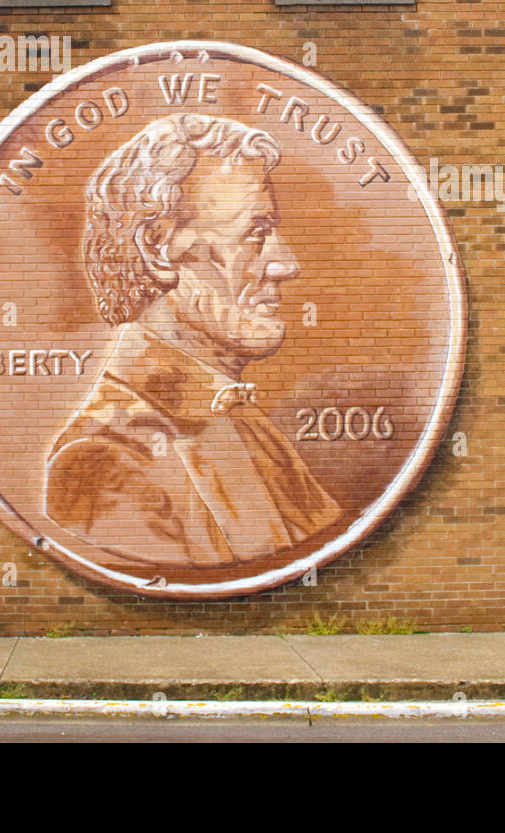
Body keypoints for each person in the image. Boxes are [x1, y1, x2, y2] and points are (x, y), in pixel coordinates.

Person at [44, 113, 342, 569]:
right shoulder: (100, 463)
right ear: (158, 248)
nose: (286, 264)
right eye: (257, 234)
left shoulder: (253, 429)